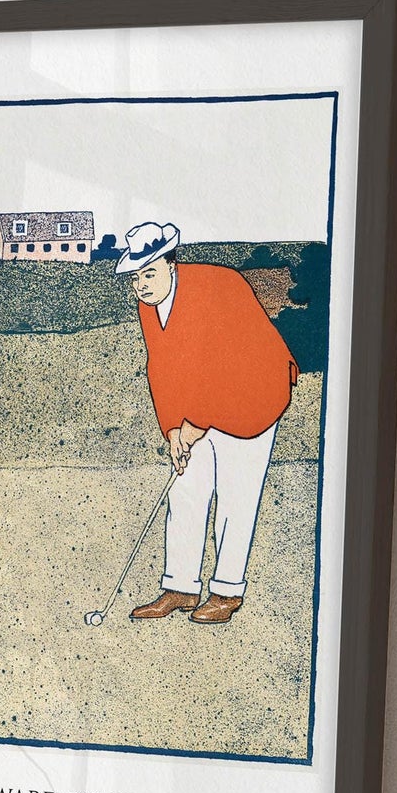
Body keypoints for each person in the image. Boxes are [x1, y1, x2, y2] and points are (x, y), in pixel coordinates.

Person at [117, 221, 297, 625]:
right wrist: (173, 431)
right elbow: (161, 368)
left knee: (237, 495)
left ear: (171, 265)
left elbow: (228, 364)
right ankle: (180, 586)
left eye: (149, 273)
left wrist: (195, 424)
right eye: (135, 277)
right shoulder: (150, 306)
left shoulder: (218, 287)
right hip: (201, 408)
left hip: (252, 399)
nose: (142, 285)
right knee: (186, 489)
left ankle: (226, 592)